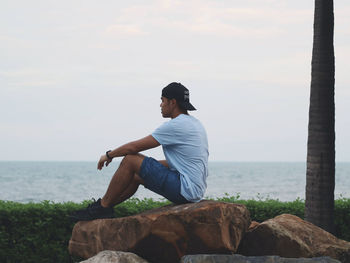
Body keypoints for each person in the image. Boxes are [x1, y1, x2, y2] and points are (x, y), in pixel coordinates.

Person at [70, 82, 209, 221]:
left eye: (162, 101)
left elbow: (133, 148)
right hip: (194, 191)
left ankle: (102, 208)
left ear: (172, 103)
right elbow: (181, 163)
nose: (160, 105)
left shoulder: (177, 125)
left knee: (131, 160)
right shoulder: (195, 124)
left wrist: (108, 155)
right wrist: (148, 165)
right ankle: (104, 207)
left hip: (185, 190)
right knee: (135, 175)